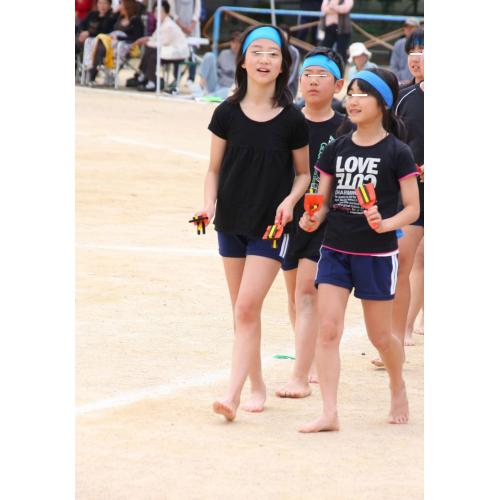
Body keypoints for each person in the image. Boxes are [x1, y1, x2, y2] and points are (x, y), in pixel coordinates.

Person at [198, 25, 311, 422]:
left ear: (283, 65)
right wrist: (207, 205)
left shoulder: (293, 120)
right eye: (257, 52)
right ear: (243, 61)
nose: (265, 59)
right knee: (242, 311)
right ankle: (257, 385)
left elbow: (303, 174)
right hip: (230, 220)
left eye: (273, 53)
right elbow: (214, 169)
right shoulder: (225, 113)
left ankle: (231, 395)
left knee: (247, 306)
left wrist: (290, 201)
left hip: (272, 226)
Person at [297, 68, 420, 432]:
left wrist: (386, 223)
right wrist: (312, 219)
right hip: (335, 249)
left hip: (376, 255)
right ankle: (329, 413)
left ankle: (397, 385)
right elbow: (322, 201)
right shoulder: (336, 148)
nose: (352, 100)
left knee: (380, 337)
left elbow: (413, 208)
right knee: (328, 329)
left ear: (383, 103)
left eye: (362, 94)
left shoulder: (397, 152)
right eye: (350, 93)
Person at [276, 47, 350, 398]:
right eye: (308, 74)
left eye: (322, 75)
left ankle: (303, 374)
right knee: (295, 296)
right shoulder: (286, 119)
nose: (313, 81)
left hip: (328, 222)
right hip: (289, 217)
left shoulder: (346, 127)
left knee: (308, 293)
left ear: (338, 84)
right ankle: (308, 357)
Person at [372, 28, 424, 365]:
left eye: (424, 50)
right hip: (414, 192)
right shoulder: (404, 97)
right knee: (405, 261)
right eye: (413, 51)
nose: (417, 57)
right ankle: (399, 334)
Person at [127, 1, 189, 92]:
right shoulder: (161, 24)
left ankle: (149, 80)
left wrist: (147, 42)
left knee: (152, 52)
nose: (157, 14)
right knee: (151, 50)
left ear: (166, 12)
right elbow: (154, 38)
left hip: (176, 53)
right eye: (155, 11)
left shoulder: (169, 25)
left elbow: (161, 42)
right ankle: (144, 76)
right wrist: (146, 40)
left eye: (160, 11)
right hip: (166, 50)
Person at [88, 0, 144, 83]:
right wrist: (114, 13)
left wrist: (119, 37)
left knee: (101, 44)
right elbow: (107, 27)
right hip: (112, 42)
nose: (119, 7)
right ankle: (98, 65)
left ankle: (95, 68)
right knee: (101, 40)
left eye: (121, 5)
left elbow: (137, 37)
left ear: (127, 7)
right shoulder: (119, 17)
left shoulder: (136, 20)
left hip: (125, 44)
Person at [196, 30, 241, 98]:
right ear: (230, 43)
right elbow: (214, 70)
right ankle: (200, 88)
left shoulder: (243, 58)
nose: (236, 45)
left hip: (228, 89)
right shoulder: (224, 53)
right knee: (209, 56)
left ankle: (207, 97)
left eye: (238, 42)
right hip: (216, 84)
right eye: (233, 42)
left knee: (230, 91)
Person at [170, 0, 201, 83]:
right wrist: (182, 26)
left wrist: (191, 26)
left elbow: (197, 10)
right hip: (178, 27)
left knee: (192, 54)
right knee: (177, 53)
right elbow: (172, 11)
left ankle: (191, 78)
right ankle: (176, 78)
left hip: (192, 29)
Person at [390, 17, 420, 85]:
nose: (408, 29)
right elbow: (393, 66)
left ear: (418, 28)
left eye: (411, 27)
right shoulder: (398, 44)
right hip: (401, 82)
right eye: (406, 27)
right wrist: (398, 81)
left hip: (419, 82)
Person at [279, 25, 301, 100]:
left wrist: (280, 86)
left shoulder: (294, 52)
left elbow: (293, 74)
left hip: (289, 90)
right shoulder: (273, 49)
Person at [336, 0, 354, 65]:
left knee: (342, 51)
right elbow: (324, 9)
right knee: (326, 49)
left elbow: (345, 9)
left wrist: (332, 7)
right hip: (330, 28)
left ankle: (342, 67)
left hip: (344, 29)